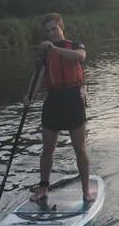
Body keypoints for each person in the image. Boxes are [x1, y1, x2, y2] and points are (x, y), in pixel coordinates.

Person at [24, 13, 93, 203]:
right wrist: (29, 96)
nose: (51, 33)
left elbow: (80, 58)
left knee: (79, 148)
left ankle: (86, 191)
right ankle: (43, 188)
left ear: (61, 27)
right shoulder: (45, 53)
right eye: (48, 31)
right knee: (47, 148)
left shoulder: (76, 45)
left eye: (54, 29)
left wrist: (54, 48)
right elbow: (39, 75)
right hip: (53, 99)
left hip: (73, 98)